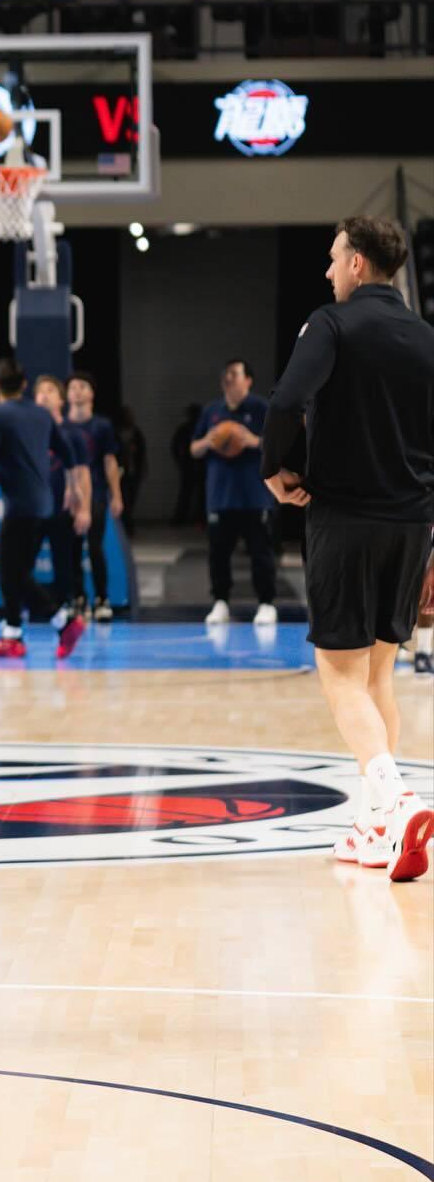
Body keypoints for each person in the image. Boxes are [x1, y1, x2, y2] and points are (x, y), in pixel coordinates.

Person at [261, 216, 434, 880]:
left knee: (339, 675)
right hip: (411, 524)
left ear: (358, 263)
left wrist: (274, 468)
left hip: (346, 519)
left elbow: (286, 400)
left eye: (335, 259)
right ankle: (374, 828)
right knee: (377, 674)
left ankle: (396, 796)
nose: (328, 270)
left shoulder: (330, 324)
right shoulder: (426, 336)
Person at [0, 358, 79, 661]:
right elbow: (68, 454)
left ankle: (63, 621)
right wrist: (73, 489)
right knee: (15, 570)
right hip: (44, 503)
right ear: (24, 385)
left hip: (19, 503)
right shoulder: (42, 414)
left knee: (12, 572)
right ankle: (13, 633)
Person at [190, 358, 278, 626]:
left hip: (255, 495)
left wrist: (252, 440)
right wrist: (209, 440)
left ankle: (266, 603)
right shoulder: (211, 411)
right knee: (218, 554)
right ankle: (220, 602)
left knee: (261, 552)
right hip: (220, 496)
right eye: (226, 374)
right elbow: (194, 449)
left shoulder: (262, 408)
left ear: (248, 380)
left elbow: (279, 443)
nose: (228, 378)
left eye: (234, 374)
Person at [33, 374, 92, 655]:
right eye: (40, 391)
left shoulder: (72, 433)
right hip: (34, 509)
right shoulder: (30, 432)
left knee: (64, 563)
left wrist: (84, 508)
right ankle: (31, 614)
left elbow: (82, 473)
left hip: (62, 508)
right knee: (20, 565)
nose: (44, 395)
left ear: (60, 398)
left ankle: (67, 610)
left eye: (50, 390)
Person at [65, 373, 123, 621]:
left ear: (91, 393)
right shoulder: (61, 426)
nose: (77, 391)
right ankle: (78, 598)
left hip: (96, 493)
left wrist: (116, 495)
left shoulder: (101, 426)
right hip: (68, 496)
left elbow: (110, 461)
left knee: (95, 546)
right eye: (73, 387)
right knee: (71, 548)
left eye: (83, 386)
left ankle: (101, 599)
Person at [171, 402, 207, 525]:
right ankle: (183, 519)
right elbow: (175, 446)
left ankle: (199, 518)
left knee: (199, 494)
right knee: (188, 493)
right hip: (190, 465)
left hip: (199, 465)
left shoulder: (203, 429)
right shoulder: (186, 429)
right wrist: (180, 461)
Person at [115, 405, 147, 536]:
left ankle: (128, 524)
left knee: (132, 498)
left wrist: (143, 468)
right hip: (121, 471)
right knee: (125, 500)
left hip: (134, 470)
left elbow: (142, 452)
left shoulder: (136, 433)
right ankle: (127, 527)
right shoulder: (116, 432)